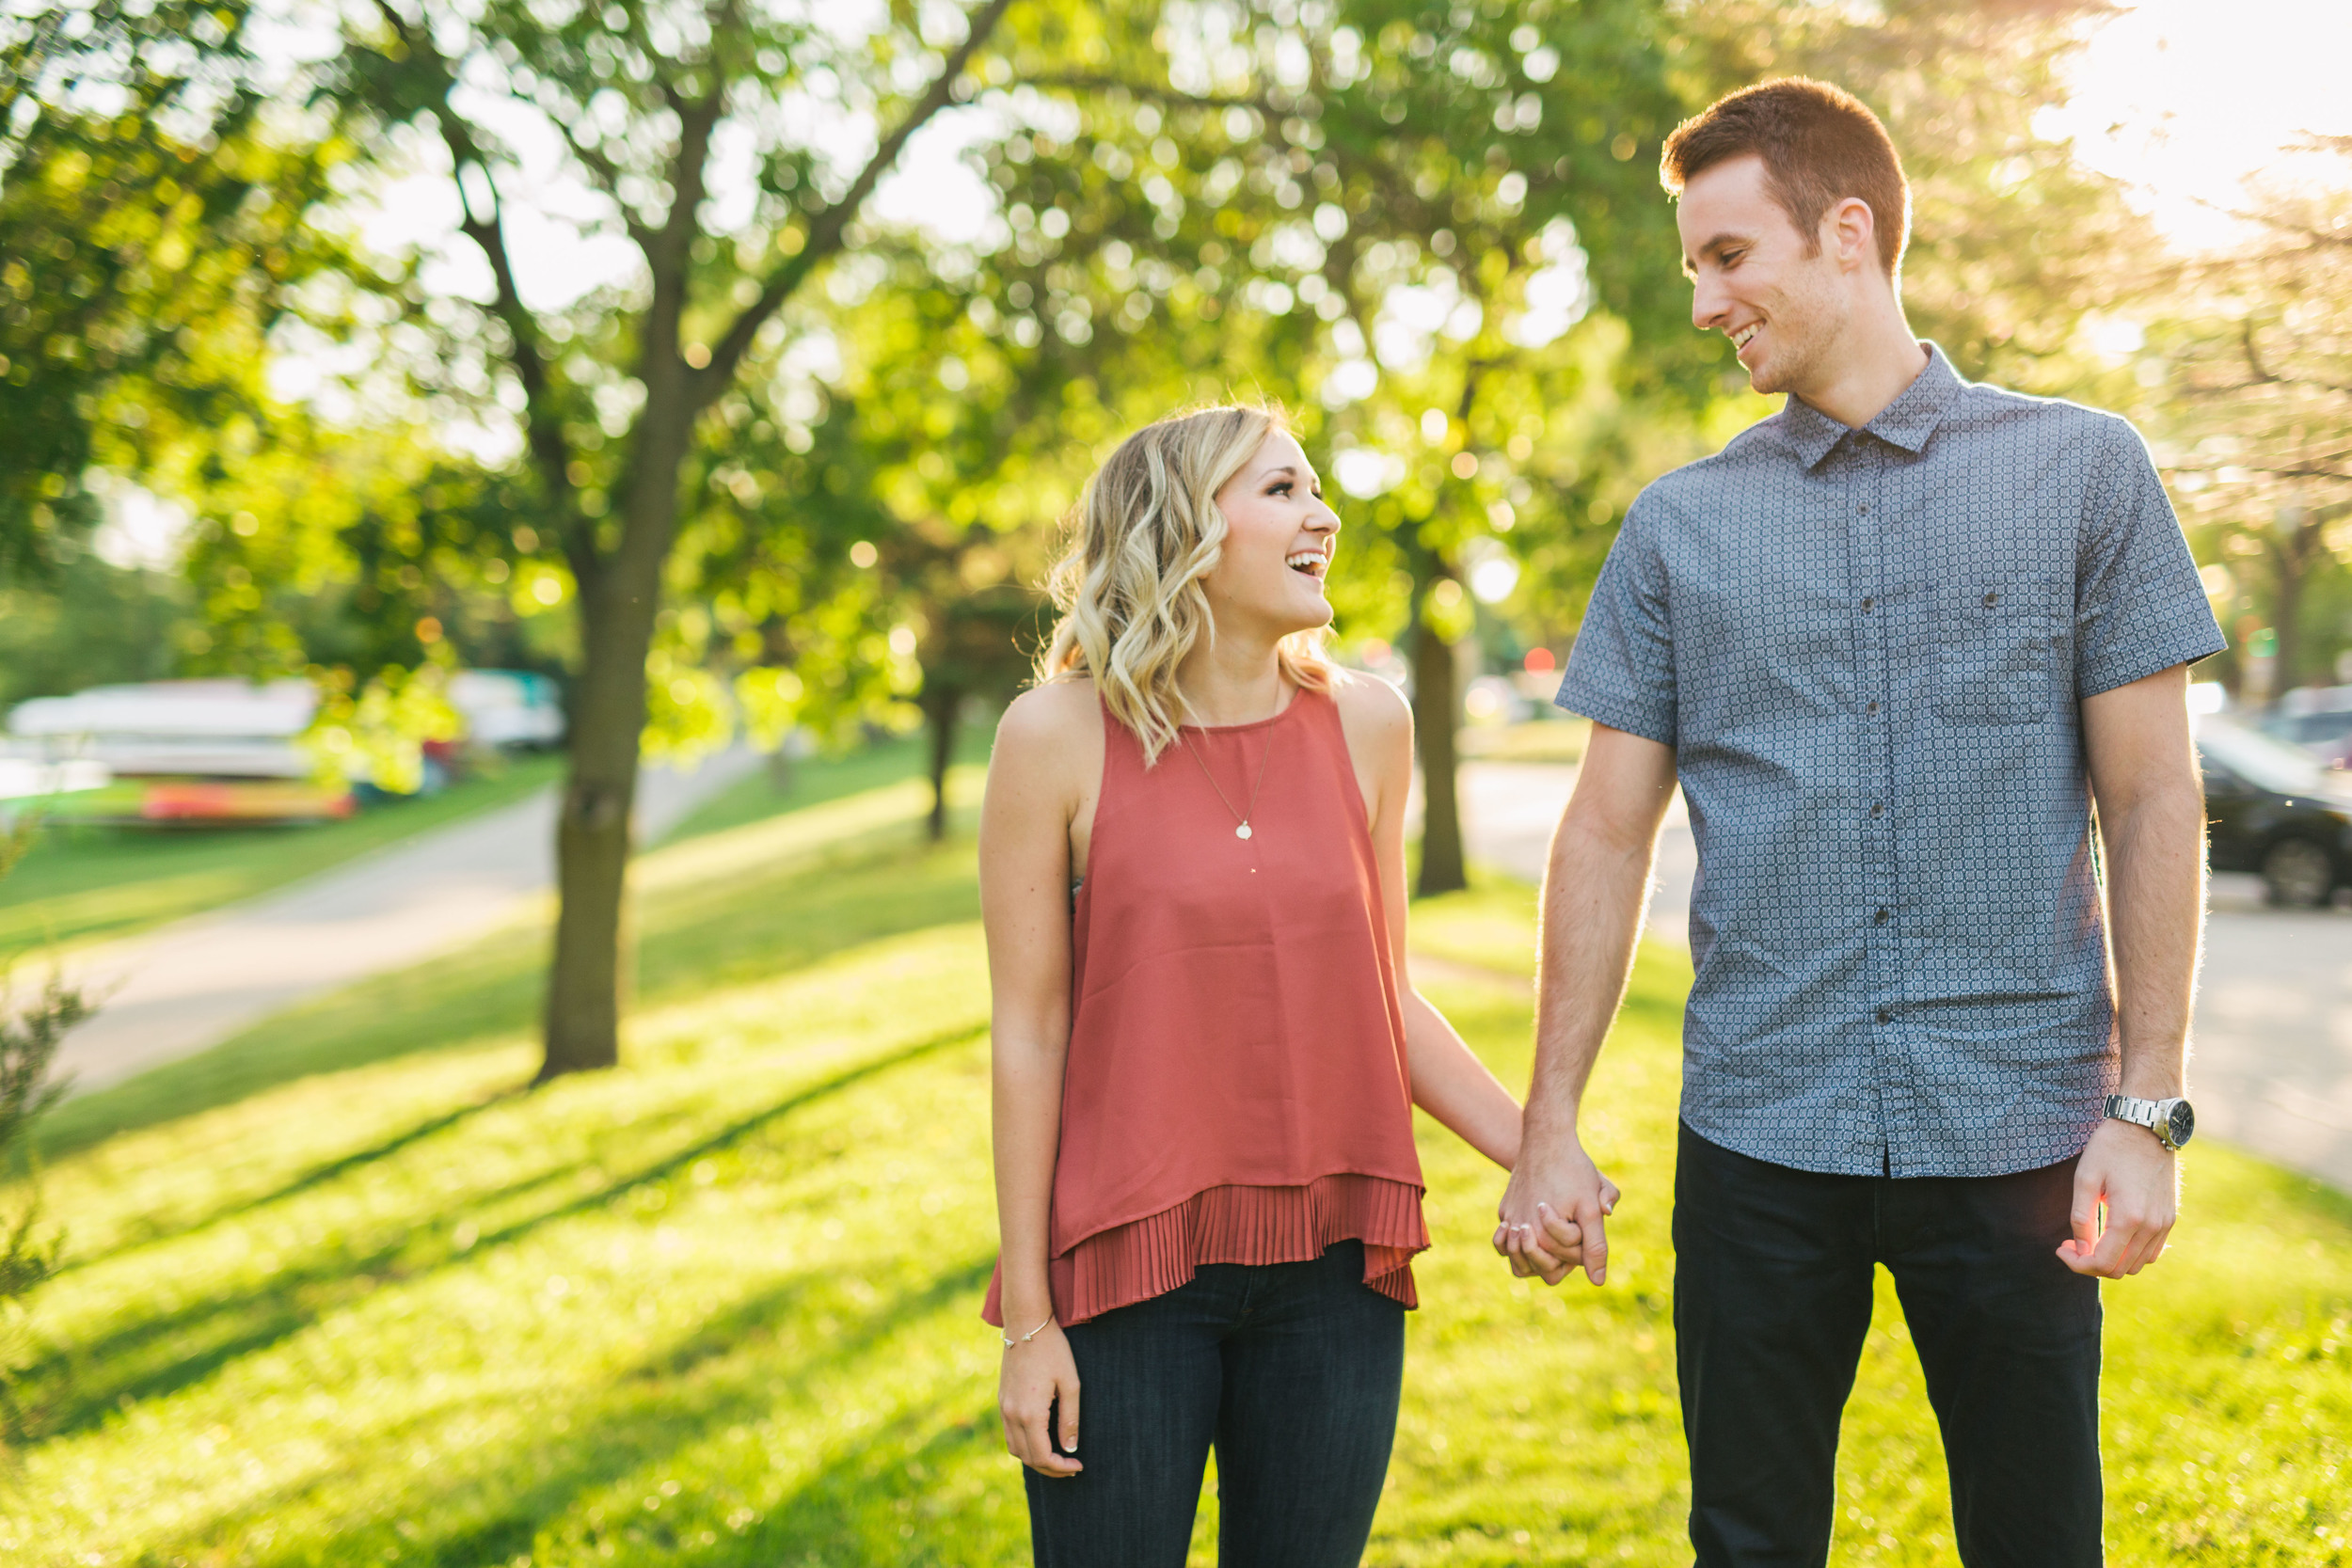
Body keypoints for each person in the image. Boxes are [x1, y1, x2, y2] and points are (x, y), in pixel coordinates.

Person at [1494, 78, 2224, 1567]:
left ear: (1846, 232)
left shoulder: (2087, 470)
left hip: (2017, 1126)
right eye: (1695, 264)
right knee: (1749, 1543)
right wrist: (1548, 1125)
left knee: (2037, 1539)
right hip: (1760, 1132)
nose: (1706, 301)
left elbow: (2154, 799)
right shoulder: (1675, 529)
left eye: (1727, 256)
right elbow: (1603, 835)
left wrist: (2146, 1108)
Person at [981, 404, 1535, 1566]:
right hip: (1126, 1273)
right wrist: (1029, 1317)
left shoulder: (1369, 723)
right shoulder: (1054, 735)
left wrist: (1535, 1151)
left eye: (1315, 488)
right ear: (1181, 526)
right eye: (1282, 490)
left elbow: (1385, 994)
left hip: (1333, 1270)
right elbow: (1029, 1033)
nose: (1322, 515)